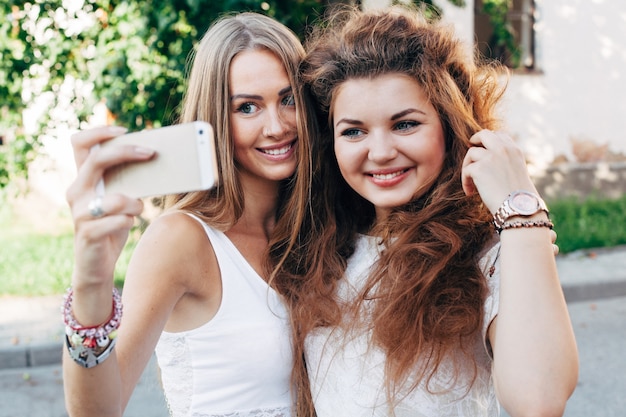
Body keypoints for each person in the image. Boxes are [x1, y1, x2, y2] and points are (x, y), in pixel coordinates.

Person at [271, 5, 579, 417]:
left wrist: (523, 213)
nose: (380, 153)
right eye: (353, 131)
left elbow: (539, 400)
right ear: (330, 142)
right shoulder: (316, 248)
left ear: (448, 126)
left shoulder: (488, 254)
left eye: (405, 125)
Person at [63, 12, 315, 417]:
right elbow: (97, 411)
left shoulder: (320, 230)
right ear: (215, 117)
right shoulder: (180, 238)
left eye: (288, 100)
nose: (277, 126)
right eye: (248, 107)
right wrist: (91, 282)